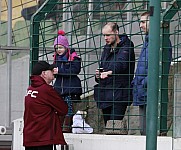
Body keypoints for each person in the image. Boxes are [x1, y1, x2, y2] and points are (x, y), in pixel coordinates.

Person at [131, 11, 172, 135]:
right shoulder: (149, 41)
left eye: (143, 22)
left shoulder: (160, 41)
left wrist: (144, 83)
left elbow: (162, 68)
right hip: (142, 91)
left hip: (151, 92)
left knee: (150, 132)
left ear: (153, 22)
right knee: (144, 131)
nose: (140, 25)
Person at [94, 22, 135, 130]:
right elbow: (103, 65)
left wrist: (109, 72)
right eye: (103, 35)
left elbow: (122, 64)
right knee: (108, 126)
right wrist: (98, 74)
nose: (105, 38)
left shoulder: (127, 45)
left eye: (108, 35)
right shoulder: (106, 48)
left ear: (116, 32)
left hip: (120, 92)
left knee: (114, 126)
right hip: (105, 92)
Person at [23, 61, 68, 150]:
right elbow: (63, 109)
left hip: (30, 137)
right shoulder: (46, 90)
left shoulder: (30, 89)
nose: (53, 72)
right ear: (44, 73)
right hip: (43, 138)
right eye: (51, 70)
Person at [53, 30, 82, 133]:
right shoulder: (56, 59)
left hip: (70, 89)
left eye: (60, 47)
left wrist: (59, 71)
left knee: (69, 108)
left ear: (66, 47)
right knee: (59, 108)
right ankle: (60, 125)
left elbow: (75, 70)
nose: (58, 50)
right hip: (59, 90)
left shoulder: (74, 58)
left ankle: (66, 126)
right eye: (56, 48)